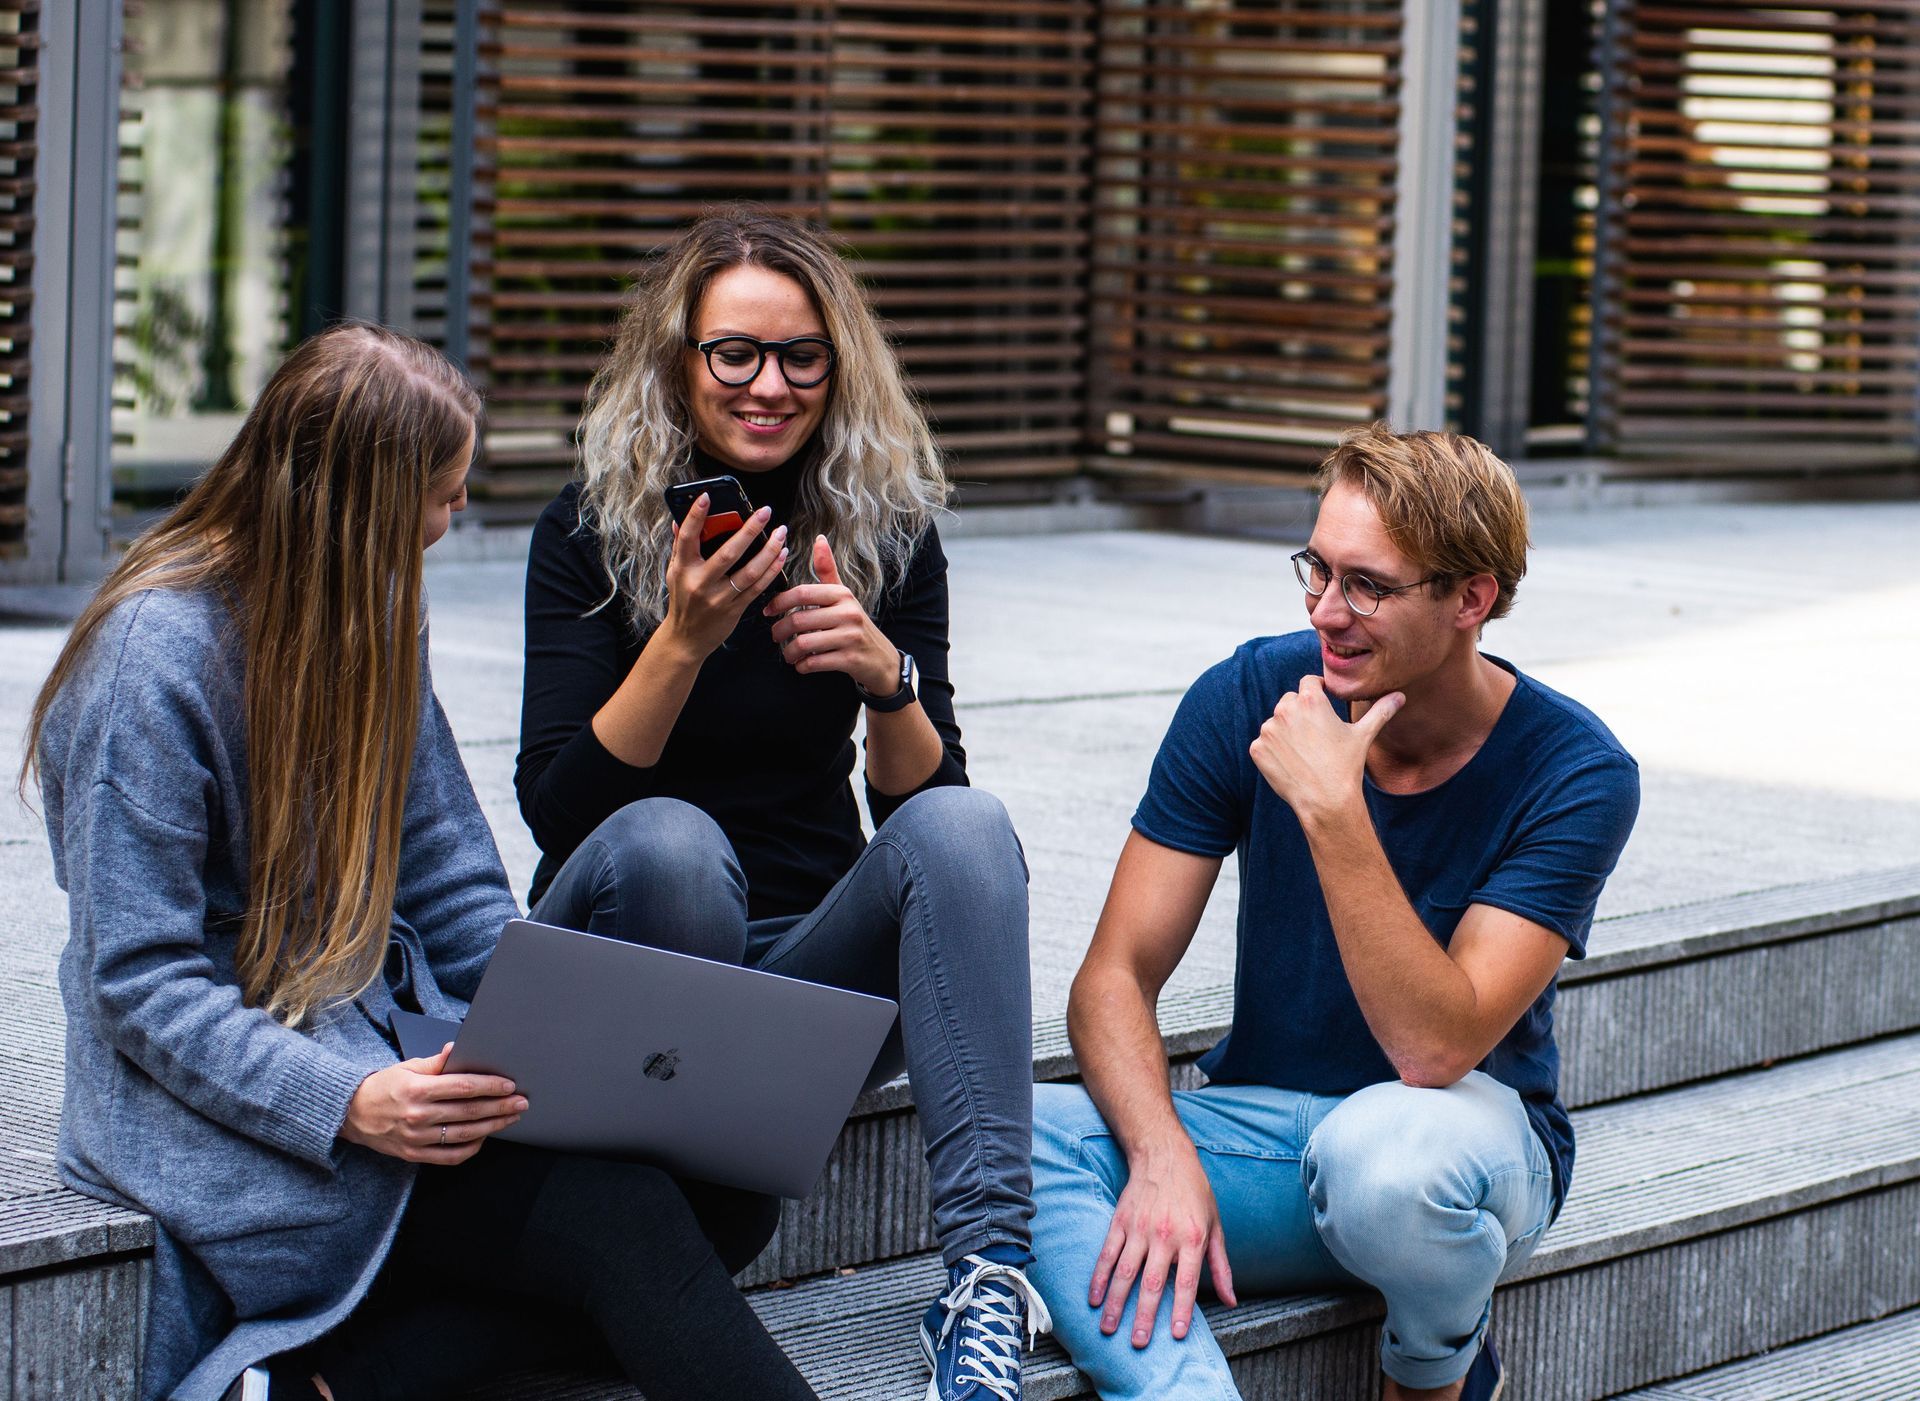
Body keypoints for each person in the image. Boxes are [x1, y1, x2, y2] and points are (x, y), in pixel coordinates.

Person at [25, 323, 822, 1401]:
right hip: (227, 1107)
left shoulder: (373, 603)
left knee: (729, 1201)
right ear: (355, 502)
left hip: (387, 1042)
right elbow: (142, 984)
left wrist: (554, 1035)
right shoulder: (148, 665)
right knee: (622, 1219)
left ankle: (343, 1381)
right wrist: (349, 1100)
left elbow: (449, 879)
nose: (455, 519)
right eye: (442, 495)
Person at [515, 205, 1047, 1401]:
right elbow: (558, 810)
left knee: (970, 829)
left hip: (805, 976)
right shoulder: (591, 533)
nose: (769, 385)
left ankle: (985, 1284)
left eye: (801, 355)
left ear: (837, 363)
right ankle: (655, 1228)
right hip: (633, 953)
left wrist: (883, 680)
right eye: (734, 353)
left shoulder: (884, 530)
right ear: (680, 362)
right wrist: (685, 641)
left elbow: (930, 810)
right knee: (673, 843)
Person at [1025, 426, 1641, 1401]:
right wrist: (1158, 1156)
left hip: (1460, 1146)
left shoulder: (1574, 772)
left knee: (1386, 1158)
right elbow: (1113, 977)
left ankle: (1435, 1366)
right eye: (1317, 569)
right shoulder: (1247, 693)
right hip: (1269, 1132)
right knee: (1015, 1135)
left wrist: (1333, 809)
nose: (1326, 611)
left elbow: (1434, 1051)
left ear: (1470, 598)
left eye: (1369, 586)